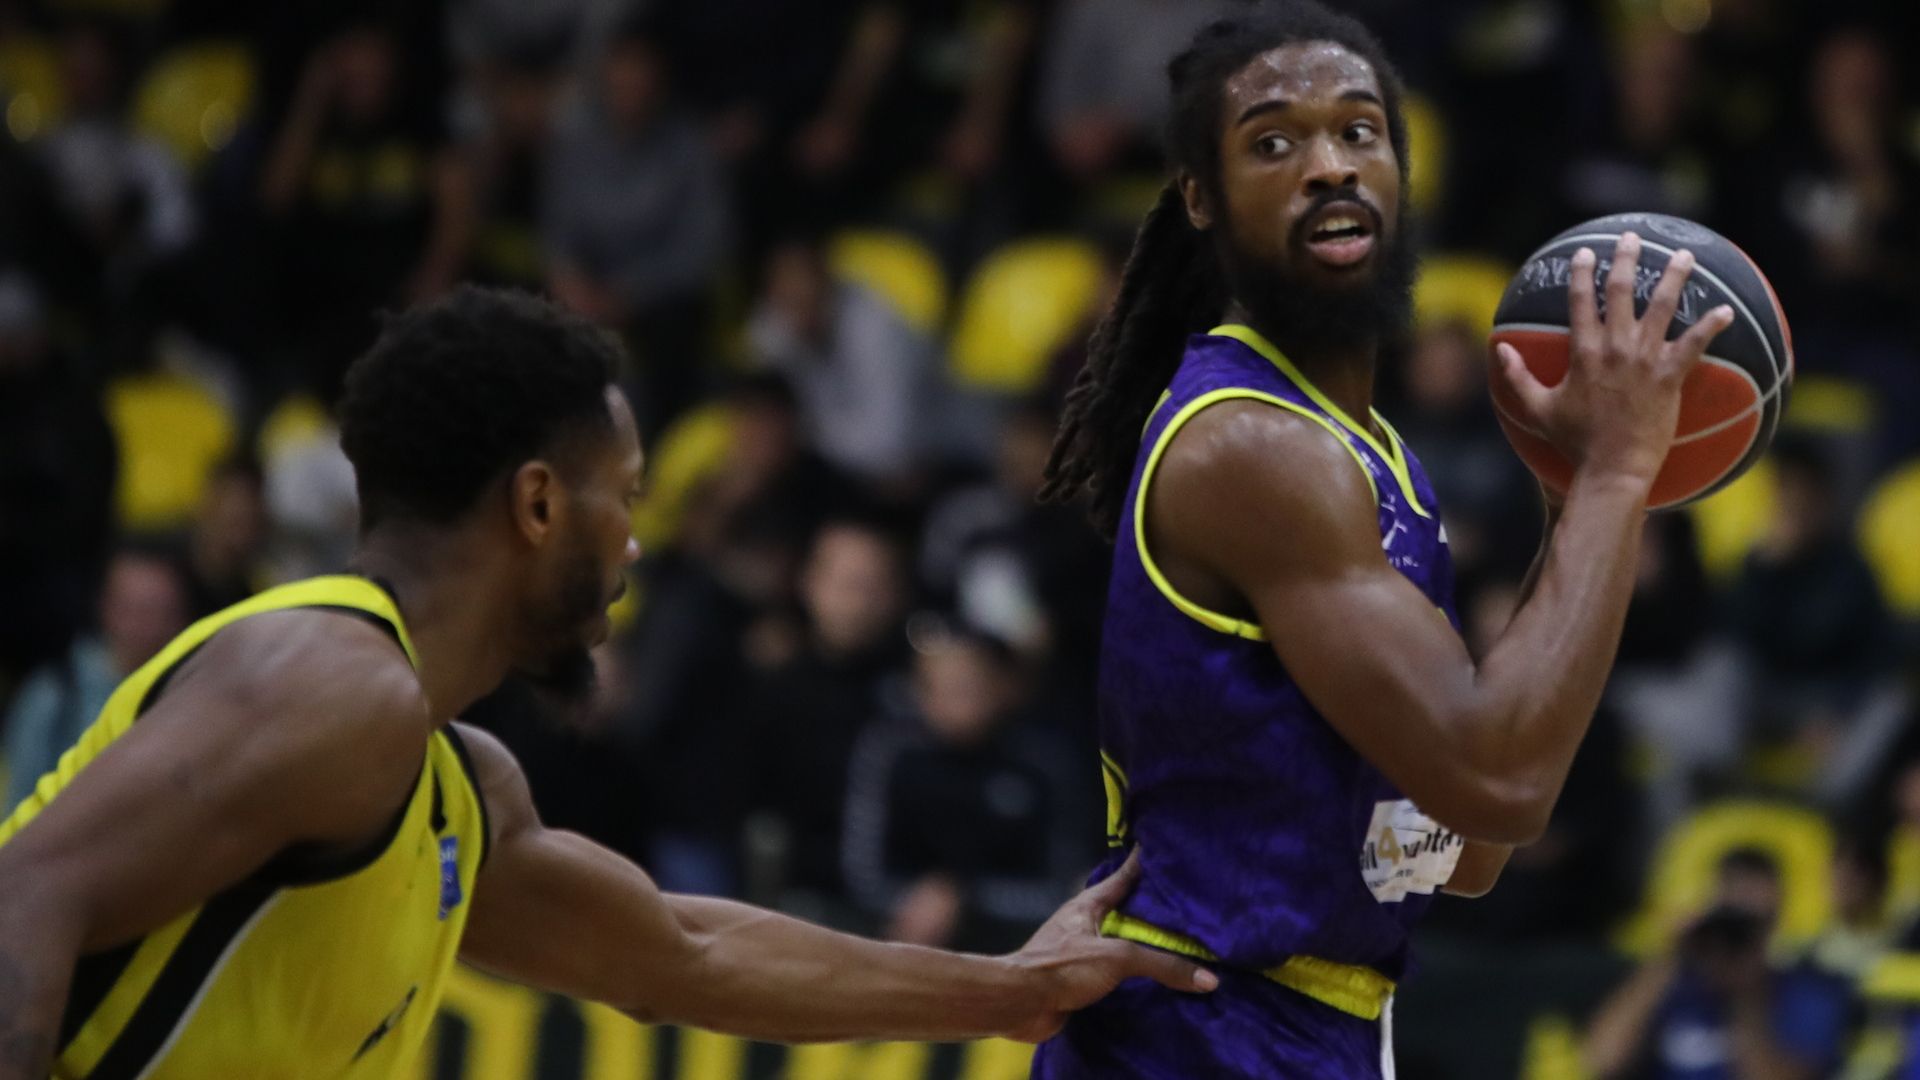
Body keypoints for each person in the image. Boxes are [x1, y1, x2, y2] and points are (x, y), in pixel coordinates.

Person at [0, 287, 1213, 1080]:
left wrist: (1010, 992)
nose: (635, 541)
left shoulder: (454, 784)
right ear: (538, 504)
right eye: (623, 496)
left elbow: (683, 953)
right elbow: (25, 894)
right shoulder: (329, 679)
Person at [1029, 4, 1735, 1076]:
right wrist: (1614, 477)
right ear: (1200, 196)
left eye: (1360, 131)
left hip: (1314, 1021)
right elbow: (1499, 787)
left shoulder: (1376, 457)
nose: (1330, 164)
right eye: (1275, 141)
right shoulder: (1252, 445)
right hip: (1202, 1025)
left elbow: (1472, 844)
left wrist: (1567, 502)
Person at [1581, 848, 1851, 1080]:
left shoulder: (1809, 992)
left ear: (1776, 919)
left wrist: (1747, 993)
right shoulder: (1671, 985)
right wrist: (1670, 955)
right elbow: (1601, 1061)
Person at [2, 547, 192, 814]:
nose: (144, 625)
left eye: (158, 610)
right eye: (131, 607)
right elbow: (17, 802)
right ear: (105, 606)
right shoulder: (55, 693)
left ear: (181, 617)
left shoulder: (190, 694)